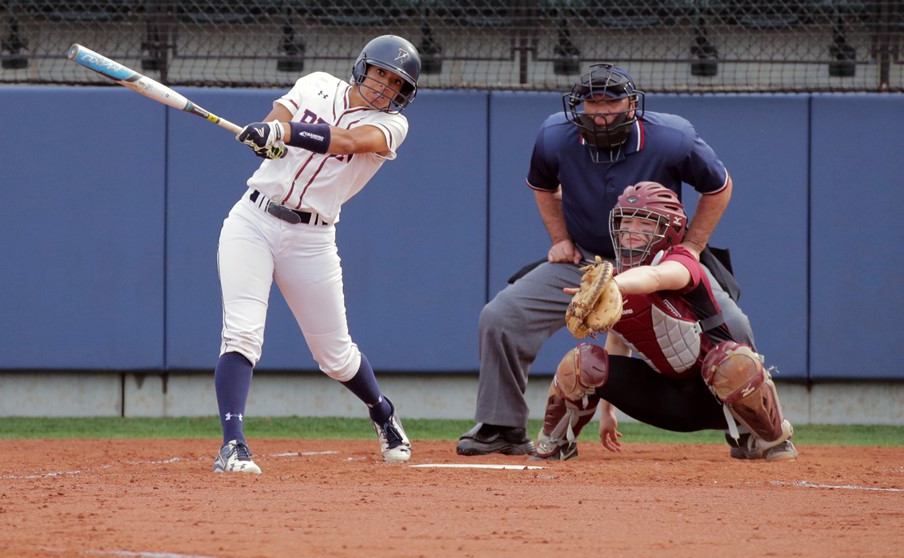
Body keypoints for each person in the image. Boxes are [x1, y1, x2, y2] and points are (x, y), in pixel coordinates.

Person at [457, 63, 756, 457]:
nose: (600, 112)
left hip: (660, 264)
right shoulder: (554, 137)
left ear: (632, 105)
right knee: (501, 317)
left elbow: (719, 186)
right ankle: (501, 426)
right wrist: (560, 238)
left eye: (610, 102)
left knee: (734, 324)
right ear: (576, 107)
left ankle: (751, 427)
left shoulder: (672, 137)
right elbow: (543, 187)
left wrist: (694, 248)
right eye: (591, 103)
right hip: (586, 262)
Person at [211, 35, 421, 474]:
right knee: (243, 333)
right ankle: (233, 444)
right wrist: (265, 137)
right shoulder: (315, 84)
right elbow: (277, 120)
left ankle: (382, 412)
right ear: (363, 67)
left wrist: (284, 133)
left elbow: (345, 141)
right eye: (380, 73)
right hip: (252, 221)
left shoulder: (392, 127)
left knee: (335, 356)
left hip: (313, 238)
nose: (384, 87)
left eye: (395, 84)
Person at [529, 181, 797, 462]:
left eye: (645, 224)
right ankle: (555, 444)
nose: (631, 231)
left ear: (669, 230)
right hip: (664, 401)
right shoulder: (619, 279)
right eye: (626, 222)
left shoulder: (681, 261)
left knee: (732, 363)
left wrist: (615, 284)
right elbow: (619, 344)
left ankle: (766, 438)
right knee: (579, 363)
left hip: (718, 402)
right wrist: (607, 412)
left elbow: (656, 277)